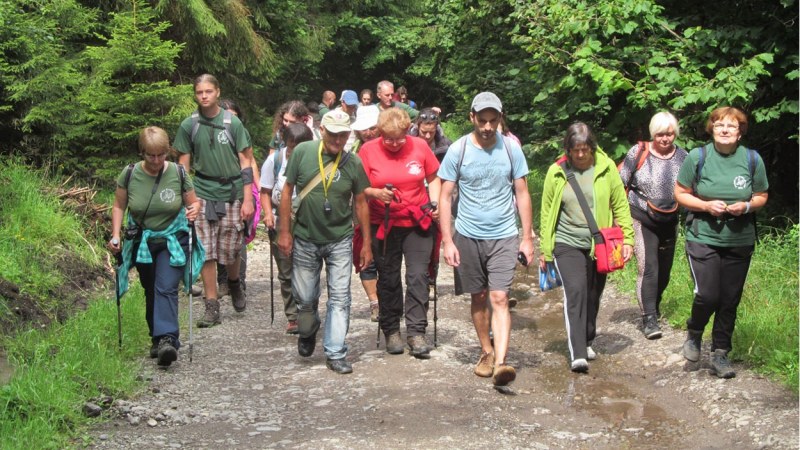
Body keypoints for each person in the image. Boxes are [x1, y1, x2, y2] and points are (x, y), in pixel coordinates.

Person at [438, 92, 535, 386]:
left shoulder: (510, 149)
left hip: (504, 234)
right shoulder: (458, 150)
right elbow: (444, 197)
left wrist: (527, 237)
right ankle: (486, 351)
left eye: (494, 120)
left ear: (500, 119)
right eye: (483, 120)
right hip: (468, 234)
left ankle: (502, 363)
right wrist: (447, 241)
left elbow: (522, 193)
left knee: (500, 297)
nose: (488, 126)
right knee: (479, 297)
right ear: (472, 118)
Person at [674, 106, 768, 379]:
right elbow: (680, 193)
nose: (725, 130)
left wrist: (747, 206)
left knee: (729, 299)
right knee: (707, 294)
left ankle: (721, 354)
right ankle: (694, 333)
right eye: (720, 125)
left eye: (731, 126)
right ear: (711, 129)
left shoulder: (752, 159)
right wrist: (704, 206)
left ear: (740, 132)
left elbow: (761, 195)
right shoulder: (698, 157)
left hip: (739, 240)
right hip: (703, 236)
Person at [277, 110, 373, 375]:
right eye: (333, 134)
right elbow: (286, 192)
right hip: (306, 237)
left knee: (340, 298)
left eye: (343, 135)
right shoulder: (303, 152)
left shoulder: (352, 163)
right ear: (322, 131)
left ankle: (335, 352)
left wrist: (366, 243)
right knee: (305, 299)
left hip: (340, 239)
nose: (338, 140)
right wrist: (284, 232)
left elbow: (362, 202)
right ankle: (308, 329)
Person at [539, 122, 634, 373]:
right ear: (567, 149)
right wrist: (545, 249)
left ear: (592, 147)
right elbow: (547, 210)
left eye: (584, 149)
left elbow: (620, 205)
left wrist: (628, 239)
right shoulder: (556, 171)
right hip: (566, 242)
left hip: (599, 243)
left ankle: (588, 337)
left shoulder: (606, 168)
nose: (580, 154)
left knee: (593, 294)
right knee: (576, 291)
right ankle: (577, 352)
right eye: (575, 150)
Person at [108, 126, 203, 367]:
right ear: (142, 153)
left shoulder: (179, 173)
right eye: (151, 155)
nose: (157, 160)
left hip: (173, 239)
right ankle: (157, 337)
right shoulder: (129, 174)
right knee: (151, 288)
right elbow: (119, 206)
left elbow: (193, 203)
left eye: (161, 154)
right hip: (143, 240)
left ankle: (168, 339)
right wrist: (116, 234)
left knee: (166, 286)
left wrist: (195, 209)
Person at [174, 74, 255, 327]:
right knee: (206, 250)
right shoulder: (190, 125)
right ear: (195, 94)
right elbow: (183, 166)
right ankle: (212, 305)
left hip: (231, 192)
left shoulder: (233, 123)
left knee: (231, 249)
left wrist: (248, 198)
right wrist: (190, 198)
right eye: (199, 92)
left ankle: (233, 283)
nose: (204, 96)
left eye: (209, 91)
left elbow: (246, 161)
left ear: (217, 92)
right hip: (202, 192)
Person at [359, 107, 441, 358]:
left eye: (399, 138)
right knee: (388, 277)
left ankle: (416, 332)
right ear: (379, 133)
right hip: (382, 223)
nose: (394, 143)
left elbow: (434, 178)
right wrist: (375, 192)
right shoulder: (368, 150)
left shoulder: (419, 146)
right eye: (388, 138)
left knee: (418, 276)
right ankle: (391, 329)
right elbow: (359, 189)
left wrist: (434, 203)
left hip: (417, 221)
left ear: (409, 130)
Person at [619, 112, 687, 339]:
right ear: (652, 133)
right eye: (660, 134)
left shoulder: (683, 157)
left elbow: (690, 189)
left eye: (669, 134)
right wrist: (619, 219)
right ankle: (649, 318)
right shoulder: (638, 153)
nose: (665, 139)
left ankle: (654, 304)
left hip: (670, 218)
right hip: (640, 216)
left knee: (664, 273)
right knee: (648, 267)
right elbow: (619, 184)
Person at [260, 123, 314, 334]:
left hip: (308, 219)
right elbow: (265, 191)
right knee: (286, 270)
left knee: (308, 268)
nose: (296, 152)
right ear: (286, 143)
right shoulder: (275, 161)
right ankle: (293, 316)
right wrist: (267, 214)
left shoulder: (317, 159)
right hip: (281, 218)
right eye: (293, 147)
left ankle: (308, 311)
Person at [214, 98, 261, 297]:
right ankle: (223, 280)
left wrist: (258, 191)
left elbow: (250, 162)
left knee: (238, 236)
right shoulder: (212, 136)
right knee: (217, 236)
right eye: (228, 116)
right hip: (216, 192)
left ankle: (238, 281)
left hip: (241, 191)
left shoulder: (242, 135)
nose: (232, 121)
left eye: (235, 116)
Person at [350, 104, 382, 321]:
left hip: (386, 212)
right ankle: (375, 302)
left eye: (372, 127)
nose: (369, 132)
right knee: (365, 256)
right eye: (365, 129)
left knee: (386, 258)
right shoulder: (351, 150)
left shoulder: (390, 147)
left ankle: (386, 298)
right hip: (360, 211)